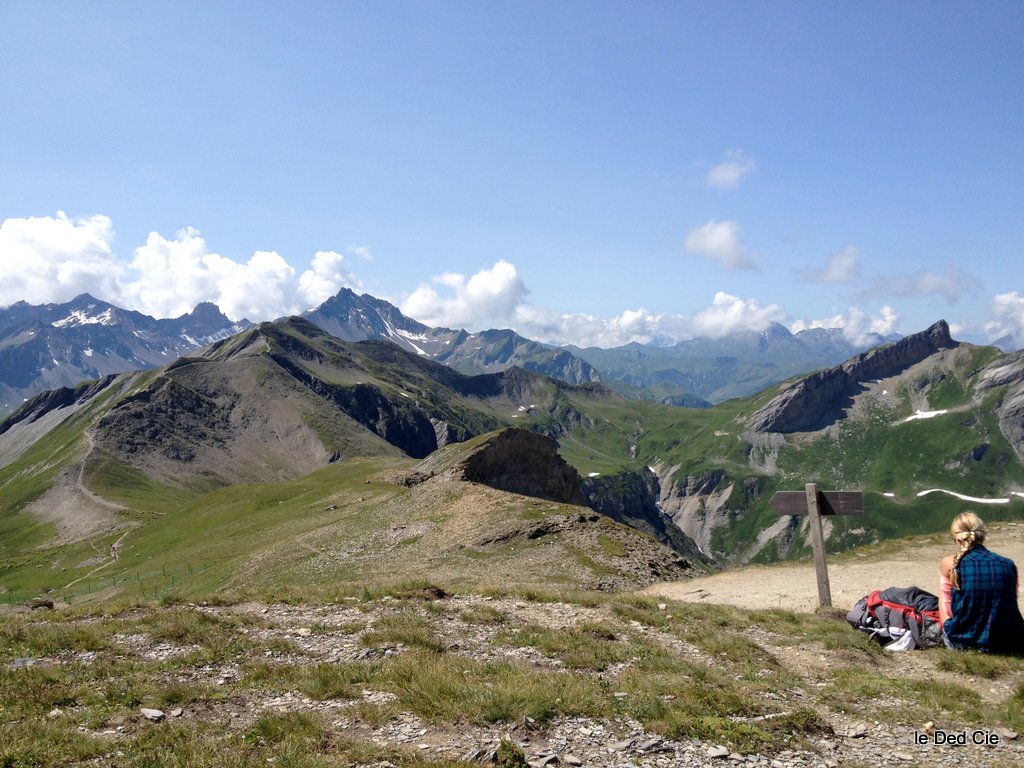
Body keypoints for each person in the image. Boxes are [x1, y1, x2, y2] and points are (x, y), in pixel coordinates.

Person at [939, 511, 1024, 655]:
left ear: (957, 539)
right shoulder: (1009, 564)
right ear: (982, 536)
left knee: (942, 601)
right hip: (1010, 642)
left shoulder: (950, 563)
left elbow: (946, 605)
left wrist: (947, 626)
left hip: (964, 641)